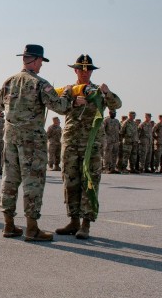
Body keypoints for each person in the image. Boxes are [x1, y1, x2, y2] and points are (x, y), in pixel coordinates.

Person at [0, 44, 73, 241]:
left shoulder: (9, 81)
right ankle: (32, 228)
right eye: (41, 61)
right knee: (33, 183)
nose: (41, 65)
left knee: (9, 181)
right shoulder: (41, 84)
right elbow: (61, 107)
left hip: (11, 138)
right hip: (32, 142)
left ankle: (9, 225)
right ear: (35, 60)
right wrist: (67, 93)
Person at [55, 54, 122, 239]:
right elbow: (55, 106)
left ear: (91, 71)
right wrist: (72, 101)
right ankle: (73, 220)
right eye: (81, 70)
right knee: (70, 181)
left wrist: (107, 92)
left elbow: (117, 104)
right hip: (70, 142)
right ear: (75, 70)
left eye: (88, 70)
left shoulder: (97, 91)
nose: (85, 73)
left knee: (89, 182)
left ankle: (86, 223)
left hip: (91, 144)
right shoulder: (68, 90)